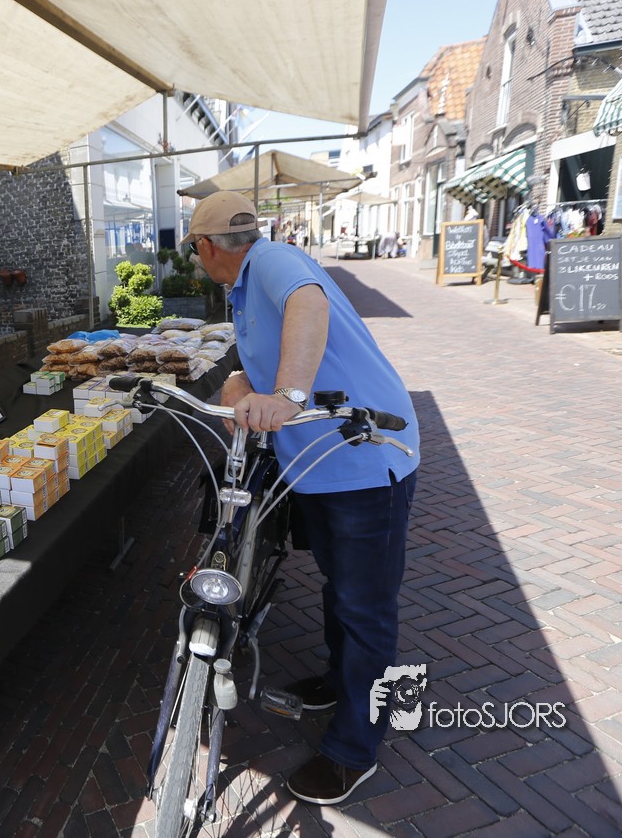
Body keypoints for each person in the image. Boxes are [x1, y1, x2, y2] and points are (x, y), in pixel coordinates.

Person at [182, 191, 421, 806]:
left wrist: (287, 395)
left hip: (365, 458)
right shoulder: (245, 286)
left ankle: (354, 750)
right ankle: (342, 681)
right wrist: (241, 381)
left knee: (366, 607)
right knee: (341, 587)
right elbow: (257, 355)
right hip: (319, 465)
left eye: (194, 251)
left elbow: (308, 303)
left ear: (206, 247)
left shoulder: (274, 260)